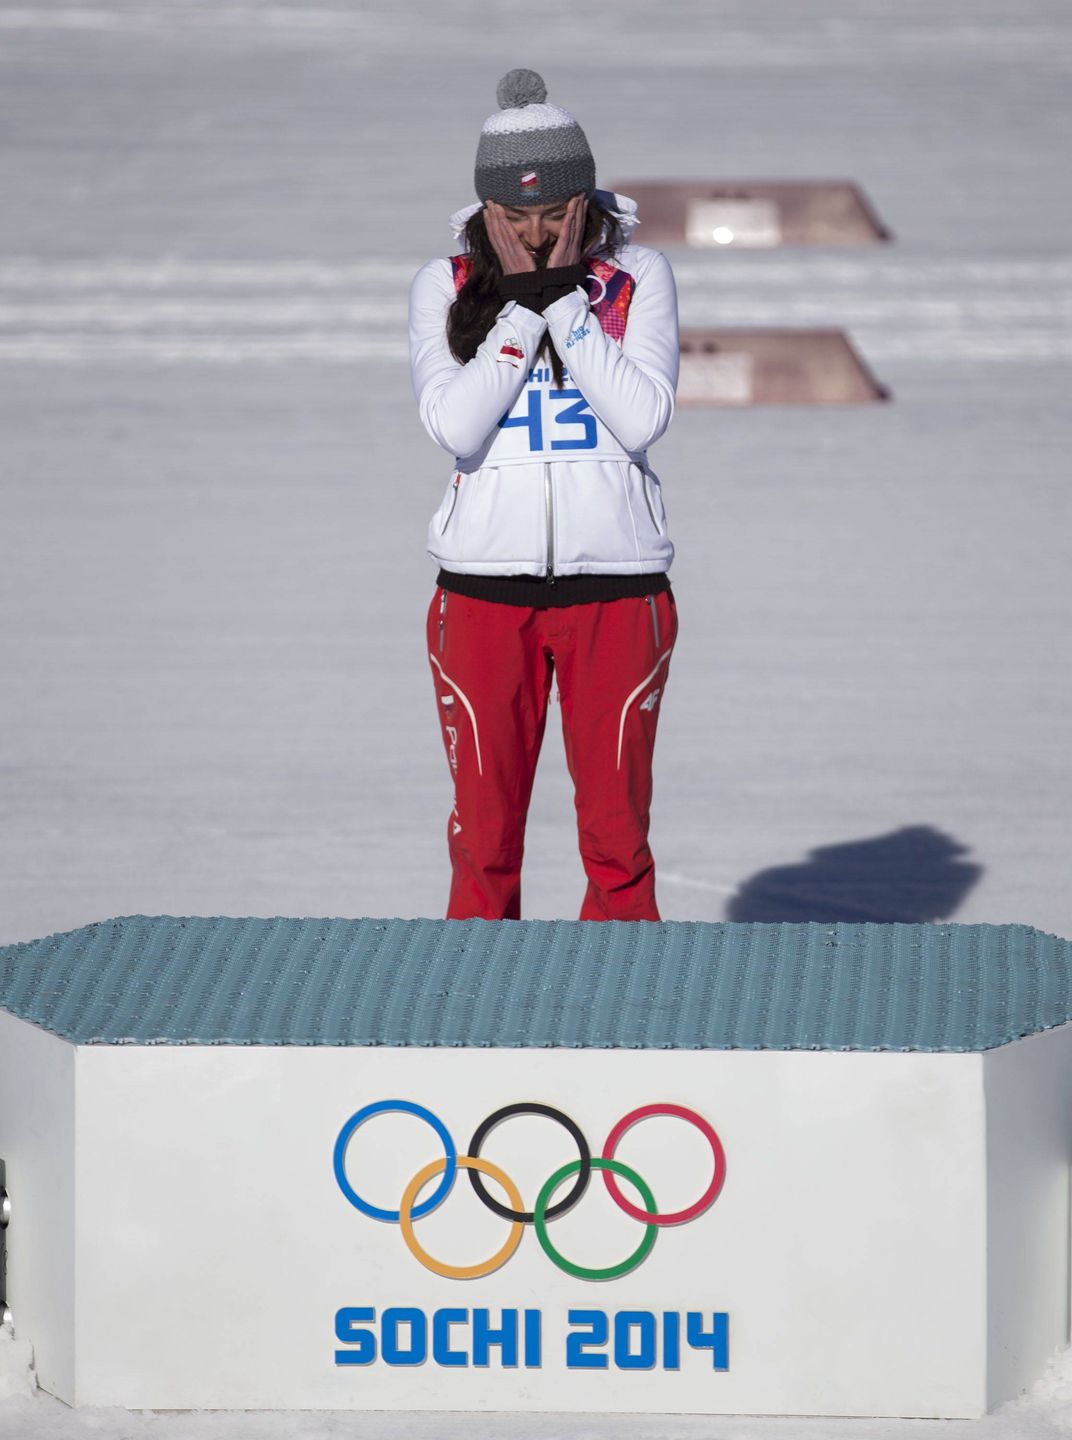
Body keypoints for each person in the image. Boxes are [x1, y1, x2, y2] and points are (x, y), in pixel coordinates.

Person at [408, 67, 680, 923]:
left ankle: (635, 1023)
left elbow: (641, 420)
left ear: (584, 202)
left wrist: (565, 303)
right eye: (515, 217)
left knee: (616, 838)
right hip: (483, 595)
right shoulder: (444, 286)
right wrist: (521, 314)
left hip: (619, 589)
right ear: (487, 210)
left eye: (553, 215)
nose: (534, 234)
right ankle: (473, 1023)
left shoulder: (637, 276)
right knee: (484, 841)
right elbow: (456, 425)